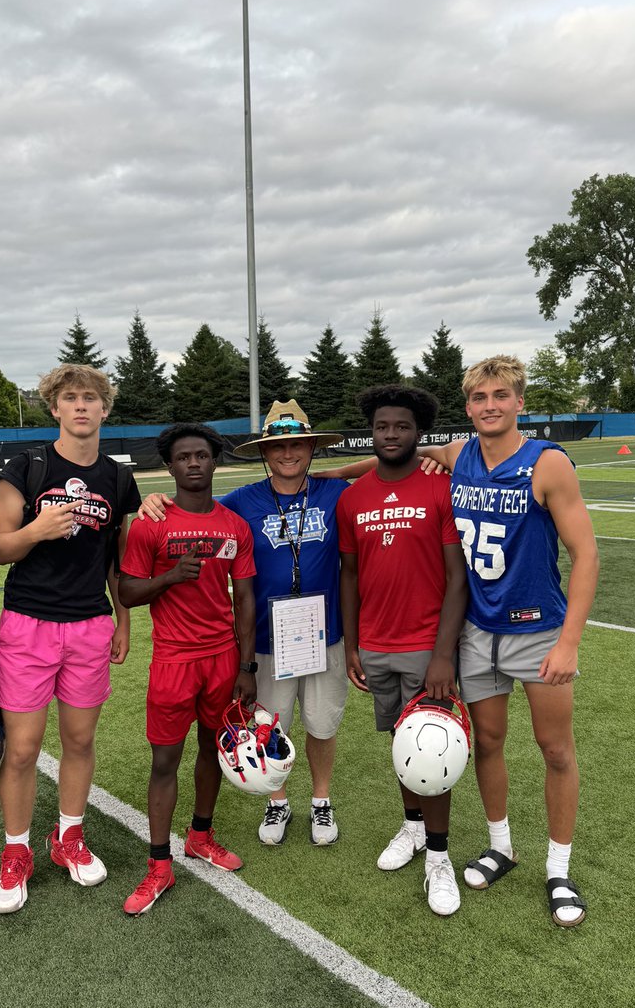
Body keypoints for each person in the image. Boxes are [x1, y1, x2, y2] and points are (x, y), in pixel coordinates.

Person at [415, 355, 598, 926]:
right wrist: (312, 480)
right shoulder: (457, 454)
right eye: (478, 397)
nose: (489, 405)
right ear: (467, 406)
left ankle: (559, 868)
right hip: (477, 632)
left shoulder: (546, 464)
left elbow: (587, 555)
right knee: (488, 742)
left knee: (555, 749)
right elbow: (384, 461)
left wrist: (568, 643)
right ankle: (503, 845)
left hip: (538, 630)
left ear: (520, 401)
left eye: (500, 395)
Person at [138, 400, 350, 847]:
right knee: (270, 724)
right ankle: (277, 801)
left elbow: (387, 474)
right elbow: (194, 509)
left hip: (324, 632)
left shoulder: (337, 493)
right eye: (278, 446)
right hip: (268, 641)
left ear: (312, 449)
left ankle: (321, 800)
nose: (288, 453)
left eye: (298, 445)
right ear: (264, 453)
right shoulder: (240, 502)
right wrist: (153, 501)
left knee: (322, 724)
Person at [0, 363, 140, 913]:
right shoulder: (27, 465)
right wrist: (37, 529)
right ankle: (16, 850)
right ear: (54, 408)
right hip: (29, 622)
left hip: (89, 624)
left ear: (105, 409)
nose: (81, 406)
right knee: (24, 748)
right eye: (70, 398)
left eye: (91, 398)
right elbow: (0, 547)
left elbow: (118, 563)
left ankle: (68, 837)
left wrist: (122, 620)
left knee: (78, 741)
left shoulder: (119, 479)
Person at [337, 385, 468, 917]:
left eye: (402, 427)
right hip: (375, 644)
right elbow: (349, 576)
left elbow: (456, 578)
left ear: (420, 432)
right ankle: (413, 829)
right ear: (372, 432)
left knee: (432, 750)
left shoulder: (442, 487)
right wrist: (352, 644)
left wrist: (443, 654)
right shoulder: (353, 497)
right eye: (383, 427)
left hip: (425, 646)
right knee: (402, 745)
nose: (391, 435)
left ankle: (440, 857)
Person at [118, 423, 257, 915]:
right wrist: (172, 575)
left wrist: (247, 665)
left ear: (215, 462)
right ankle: (159, 864)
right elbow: (127, 593)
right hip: (173, 660)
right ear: (171, 466)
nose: (194, 463)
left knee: (211, 750)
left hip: (223, 659)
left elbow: (245, 597)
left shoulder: (233, 526)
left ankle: (200, 835)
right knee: (163, 762)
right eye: (184, 457)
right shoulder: (151, 523)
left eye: (202, 455)